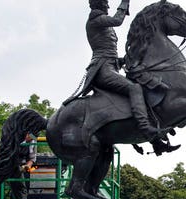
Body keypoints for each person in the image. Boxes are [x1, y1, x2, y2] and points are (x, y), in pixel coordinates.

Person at [66, 0, 178, 156]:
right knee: (134, 88)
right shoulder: (96, 19)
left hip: (110, 65)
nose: (108, 5)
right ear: (99, 4)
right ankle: (145, 127)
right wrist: (125, 2)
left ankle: (156, 142)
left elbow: (109, 52)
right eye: (105, 3)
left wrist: (125, 59)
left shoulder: (102, 22)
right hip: (102, 70)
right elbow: (117, 21)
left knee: (140, 87)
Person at [0, 133, 36, 199]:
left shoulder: (33, 142)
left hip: (16, 162)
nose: (30, 138)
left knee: (19, 183)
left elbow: (32, 158)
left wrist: (27, 166)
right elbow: (0, 147)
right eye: (29, 136)